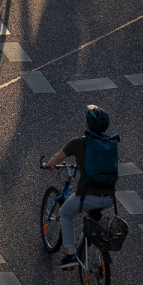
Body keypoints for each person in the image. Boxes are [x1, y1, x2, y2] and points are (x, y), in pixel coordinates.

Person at [39, 105, 118, 270]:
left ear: (87, 124)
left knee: (65, 213)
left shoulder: (78, 142)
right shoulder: (109, 144)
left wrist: (47, 165)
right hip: (109, 198)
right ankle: (88, 239)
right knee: (91, 209)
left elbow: (56, 158)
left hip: (87, 197)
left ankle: (71, 254)